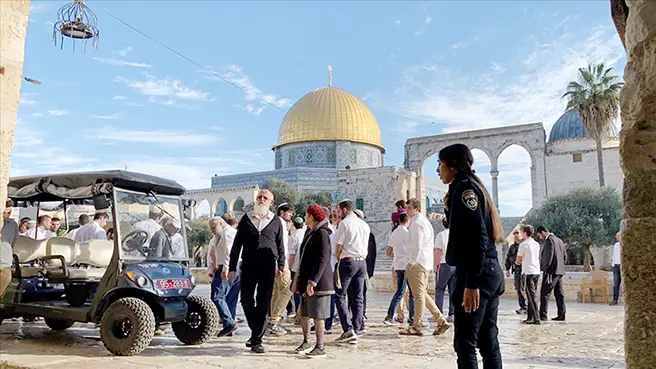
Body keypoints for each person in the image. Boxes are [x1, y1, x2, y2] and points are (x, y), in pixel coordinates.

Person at [438, 143, 505, 369]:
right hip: (489, 271)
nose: (438, 170)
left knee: (465, 343)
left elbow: (477, 238)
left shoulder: (465, 190)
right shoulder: (468, 188)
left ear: (453, 166)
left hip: (477, 272)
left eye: (440, 164)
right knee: (487, 341)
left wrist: (471, 283)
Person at [228, 189, 285, 354]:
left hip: (267, 266)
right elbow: (237, 245)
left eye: (265, 198)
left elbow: (281, 245)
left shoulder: (276, 221)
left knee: (263, 302)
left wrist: (282, 265)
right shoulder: (246, 220)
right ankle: (256, 331)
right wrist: (232, 267)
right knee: (246, 300)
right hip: (248, 266)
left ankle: (257, 340)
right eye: (259, 197)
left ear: (271, 202)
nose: (261, 199)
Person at [400, 198, 450, 336]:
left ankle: (417, 326)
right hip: (423, 262)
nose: (407, 211)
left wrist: (411, 261)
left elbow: (417, 244)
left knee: (418, 296)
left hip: (418, 263)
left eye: (409, 208)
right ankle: (441, 320)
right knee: (422, 293)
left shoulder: (417, 223)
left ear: (417, 209)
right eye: (406, 208)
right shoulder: (422, 222)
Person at [293, 204, 334, 358]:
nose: (304, 217)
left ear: (311, 216)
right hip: (306, 281)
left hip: (319, 283)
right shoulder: (310, 232)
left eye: (306, 214)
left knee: (318, 315)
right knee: (305, 312)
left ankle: (320, 346)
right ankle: (306, 341)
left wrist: (313, 281)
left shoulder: (322, 233)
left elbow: (323, 258)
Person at [333, 199, 370, 344]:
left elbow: (338, 246)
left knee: (340, 295)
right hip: (362, 262)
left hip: (348, 261)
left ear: (344, 210)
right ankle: (357, 327)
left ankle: (348, 329)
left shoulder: (345, 223)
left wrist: (338, 259)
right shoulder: (364, 225)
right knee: (358, 296)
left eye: (338, 211)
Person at [267, 203, 294, 336]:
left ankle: (271, 321)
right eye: (289, 212)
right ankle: (274, 320)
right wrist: (282, 264)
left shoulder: (276, 222)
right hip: (281, 263)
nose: (291, 214)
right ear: (282, 212)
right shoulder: (280, 223)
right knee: (287, 290)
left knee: (276, 292)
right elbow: (280, 244)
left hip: (277, 262)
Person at [383, 212, 415, 325]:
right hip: (407, 265)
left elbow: (388, 252)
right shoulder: (408, 233)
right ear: (407, 221)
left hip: (397, 265)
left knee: (399, 292)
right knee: (411, 293)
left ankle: (389, 316)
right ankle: (412, 318)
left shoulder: (394, 233)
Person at [213, 214, 239, 337]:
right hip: (237, 267)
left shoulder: (227, 233)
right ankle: (230, 325)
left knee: (217, 296)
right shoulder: (233, 232)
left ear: (221, 224)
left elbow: (229, 252)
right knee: (231, 299)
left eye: (213, 227)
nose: (212, 230)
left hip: (227, 267)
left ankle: (229, 323)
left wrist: (225, 269)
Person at [537, 226, 566, 321]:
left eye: (539, 235)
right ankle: (561, 314)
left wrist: (545, 269)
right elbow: (564, 256)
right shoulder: (559, 240)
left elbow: (547, 257)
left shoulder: (549, 240)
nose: (540, 237)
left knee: (545, 293)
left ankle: (543, 315)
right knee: (559, 293)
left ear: (542, 232)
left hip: (551, 272)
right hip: (559, 271)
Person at [515, 225, 541, 325]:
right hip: (536, 271)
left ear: (525, 232)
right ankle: (530, 317)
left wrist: (518, 263)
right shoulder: (536, 244)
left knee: (531, 295)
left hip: (528, 272)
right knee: (532, 295)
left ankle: (536, 317)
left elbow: (518, 260)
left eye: (522, 232)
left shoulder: (523, 245)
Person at [434, 217, 456, 323]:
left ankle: (438, 313)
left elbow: (438, 251)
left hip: (444, 263)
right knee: (453, 290)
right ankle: (452, 313)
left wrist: (435, 265)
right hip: (455, 265)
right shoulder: (457, 235)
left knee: (440, 289)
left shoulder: (441, 235)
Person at [505, 229, 527, 314]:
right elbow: (508, 258)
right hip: (517, 270)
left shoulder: (525, 244)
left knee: (525, 288)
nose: (515, 235)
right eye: (514, 233)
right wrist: (507, 269)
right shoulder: (512, 247)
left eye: (517, 233)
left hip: (525, 269)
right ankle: (523, 306)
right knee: (519, 288)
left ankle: (528, 307)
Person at [610, 232, 621, 305]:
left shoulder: (626, 244)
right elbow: (614, 255)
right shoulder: (616, 245)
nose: (616, 237)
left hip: (622, 266)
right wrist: (613, 264)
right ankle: (615, 299)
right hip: (616, 266)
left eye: (617, 236)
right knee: (616, 284)